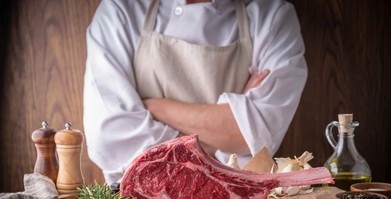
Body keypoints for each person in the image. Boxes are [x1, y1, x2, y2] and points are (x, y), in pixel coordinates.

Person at [83, 0, 307, 184]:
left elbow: (253, 136)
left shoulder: (272, 16)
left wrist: (154, 107)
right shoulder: (120, 10)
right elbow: (110, 135)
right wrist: (222, 135)